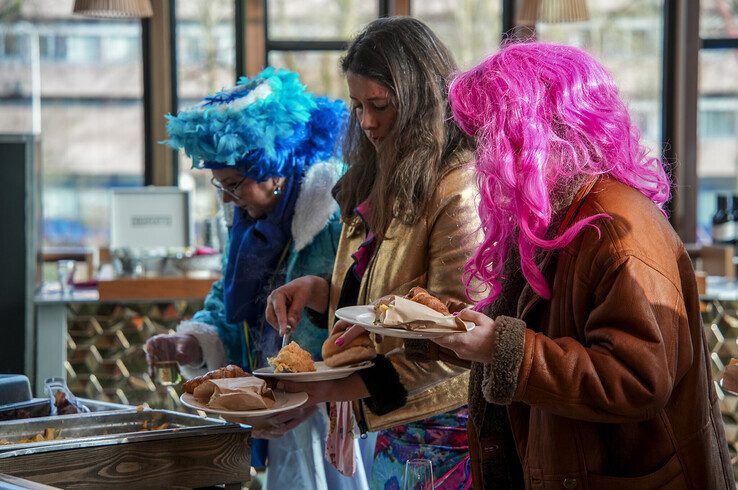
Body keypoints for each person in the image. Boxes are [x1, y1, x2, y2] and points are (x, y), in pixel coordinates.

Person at [431, 41, 735, 488]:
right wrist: (430, 332)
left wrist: (504, 348)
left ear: (537, 133)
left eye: (490, 136)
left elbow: (637, 379)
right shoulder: (554, 214)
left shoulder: (616, 229)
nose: (482, 158)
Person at [265, 17, 479, 488]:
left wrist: (329, 388)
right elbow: (376, 301)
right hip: (393, 423)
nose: (366, 122)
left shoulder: (459, 185)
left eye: (379, 105)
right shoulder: (377, 174)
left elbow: (457, 336)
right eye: (358, 106)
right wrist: (320, 292)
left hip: (445, 431)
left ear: (421, 99)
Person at [145, 67, 374, 490]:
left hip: (335, 413)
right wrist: (192, 342)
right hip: (277, 409)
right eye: (220, 186)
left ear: (273, 167)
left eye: (235, 184)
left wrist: (316, 387)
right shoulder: (247, 225)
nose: (228, 199)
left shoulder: (333, 213)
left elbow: (365, 305)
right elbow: (228, 305)